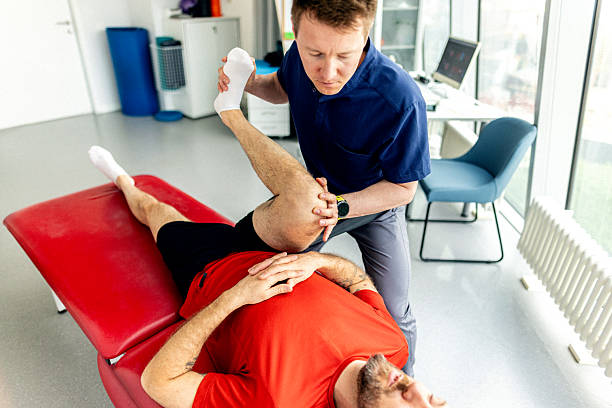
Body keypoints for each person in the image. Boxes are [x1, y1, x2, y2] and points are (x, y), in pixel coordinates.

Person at [86, 99, 445, 408]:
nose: (416, 388)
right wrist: (318, 261)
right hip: (271, 247)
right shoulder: (393, 346)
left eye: (411, 406)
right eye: (432, 400)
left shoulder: (281, 401)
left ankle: (122, 181)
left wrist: (236, 296)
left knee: (154, 212)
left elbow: (158, 382)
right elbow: (358, 280)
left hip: (211, 269)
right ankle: (231, 113)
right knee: (313, 204)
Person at [217, 0, 430, 376]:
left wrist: (341, 206)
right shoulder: (298, 58)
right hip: (316, 202)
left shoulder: (401, 100)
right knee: (270, 279)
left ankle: (405, 383)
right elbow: (280, 88)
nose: (328, 72)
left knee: (394, 310)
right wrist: (248, 82)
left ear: (366, 36)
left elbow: (403, 188)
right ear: (296, 34)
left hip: (375, 204)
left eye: (344, 56)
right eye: (314, 53)